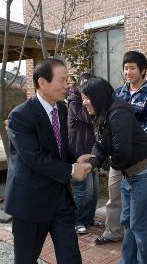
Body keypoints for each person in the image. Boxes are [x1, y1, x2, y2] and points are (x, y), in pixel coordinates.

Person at [4, 58, 87, 264]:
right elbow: (34, 158)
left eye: (67, 80)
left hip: (60, 198)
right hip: (30, 201)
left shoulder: (61, 109)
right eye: (62, 80)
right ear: (42, 82)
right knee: (26, 259)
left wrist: (76, 158)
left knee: (71, 257)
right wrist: (70, 170)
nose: (67, 86)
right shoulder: (20, 116)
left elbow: (59, 148)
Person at [76, 77, 147, 264]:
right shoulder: (102, 114)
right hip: (129, 175)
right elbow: (100, 144)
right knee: (129, 225)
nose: (83, 102)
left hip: (144, 175)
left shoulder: (118, 114)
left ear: (97, 97)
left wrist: (102, 163)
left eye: (86, 98)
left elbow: (121, 155)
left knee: (141, 228)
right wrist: (92, 162)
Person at [95, 50, 147, 245]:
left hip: (140, 158)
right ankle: (113, 231)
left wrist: (131, 140)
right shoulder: (119, 92)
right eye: (125, 68)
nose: (128, 72)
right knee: (115, 194)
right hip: (119, 154)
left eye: (132, 68)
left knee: (140, 198)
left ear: (142, 70)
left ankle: (138, 233)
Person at [67, 73, 104, 235]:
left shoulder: (84, 101)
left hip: (91, 153)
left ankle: (88, 219)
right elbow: (89, 117)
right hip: (78, 154)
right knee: (83, 190)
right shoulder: (74, 102)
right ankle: (77, 221)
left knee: (94, 190)